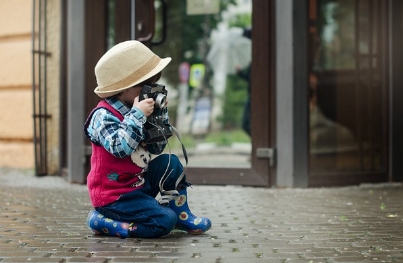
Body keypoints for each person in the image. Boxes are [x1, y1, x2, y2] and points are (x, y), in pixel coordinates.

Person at [84, 40, 211, 238]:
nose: (149, 90)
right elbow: (120, 148)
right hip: (114, 197)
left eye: (153, 84)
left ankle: (181, 214)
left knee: (171, 162)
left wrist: (159, 116)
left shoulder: (140, 111)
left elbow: (156, 149)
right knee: (163, 221)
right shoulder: (102, 116)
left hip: (138, 184)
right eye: (146, 85)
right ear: (123, 87)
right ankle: (104, 222)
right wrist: (137, 115)